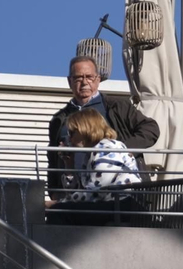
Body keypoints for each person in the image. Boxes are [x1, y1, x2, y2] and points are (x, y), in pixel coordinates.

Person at [47, 56, 160, 196]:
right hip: (74, 190)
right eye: (78, 78)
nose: (84, 82)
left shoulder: (116, 106)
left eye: (89, 77)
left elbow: (151, 128)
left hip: (115, 195)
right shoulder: (60, 119)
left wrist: (122, 149)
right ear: (69, 81)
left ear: (98, 79)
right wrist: (53, 192)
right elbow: (53, 160)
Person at [45, 108, 144, 225]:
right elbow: (80, 192)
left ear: (85, 130)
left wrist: (57, 203)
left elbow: (95, 193)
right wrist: (69, 165)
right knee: (61, 211)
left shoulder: (107, 149)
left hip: (121, 205)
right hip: (110, 204)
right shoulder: (92, 153)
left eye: (72, 133)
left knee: (58, 212)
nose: (69, 138)